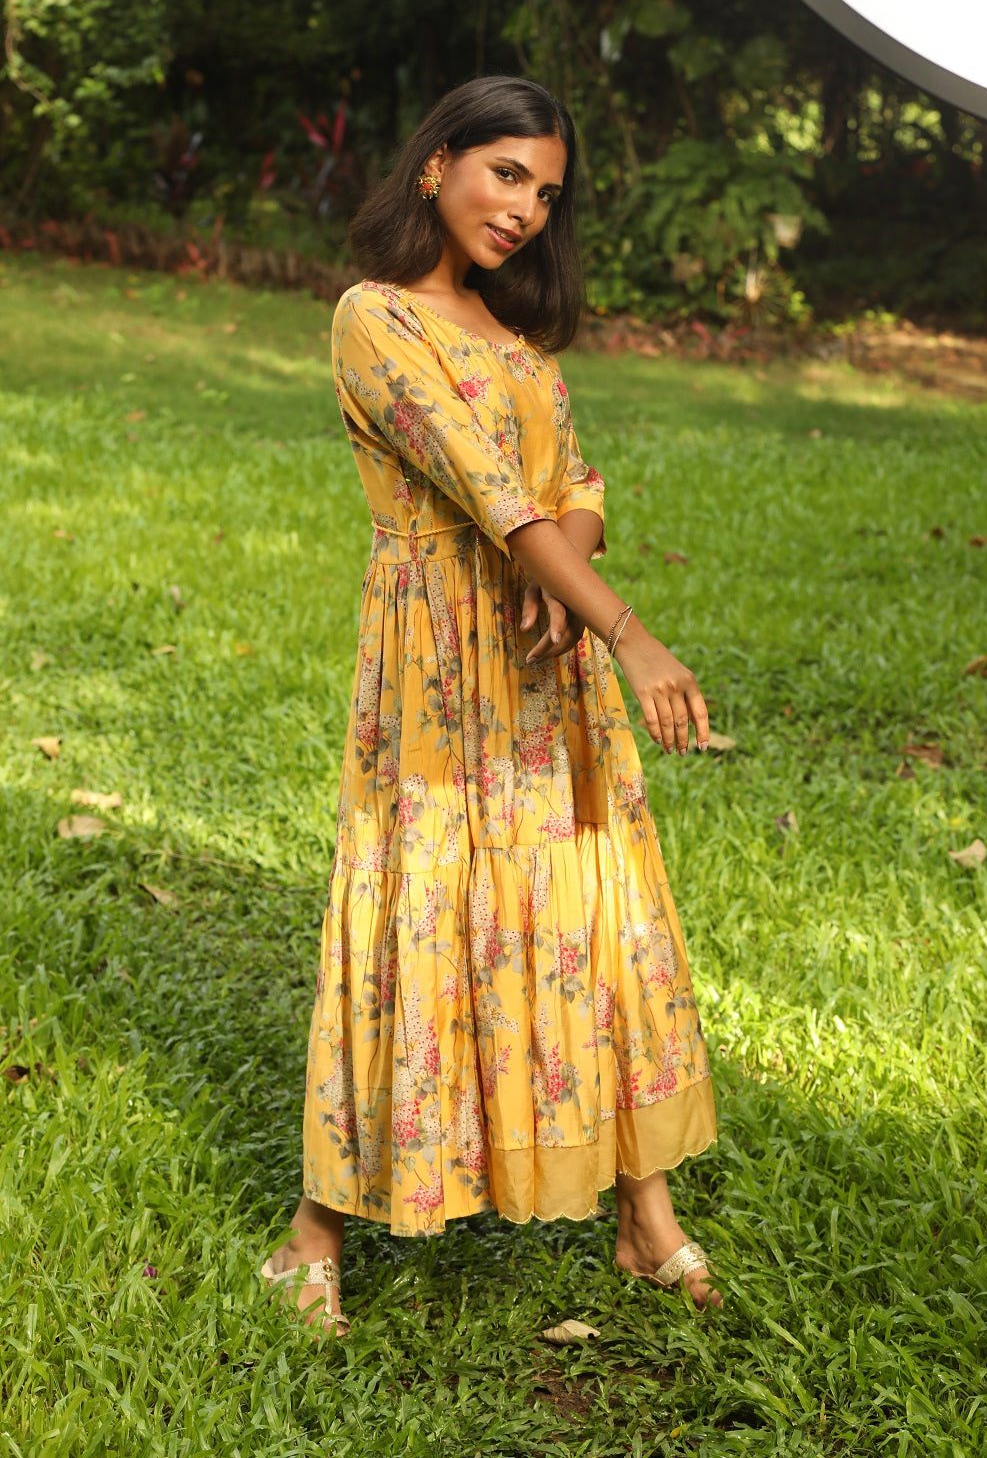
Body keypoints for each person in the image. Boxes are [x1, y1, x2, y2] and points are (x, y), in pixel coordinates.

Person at [261, 75, 720, 1336]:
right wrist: (628, 629)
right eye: (505, 173)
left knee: (587, 910)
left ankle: (645, 1220)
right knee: (419, 906)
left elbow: (571, 487)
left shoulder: (521, 346)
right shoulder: (376, 320)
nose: (523, 209)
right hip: (434, 663)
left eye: (546, 192)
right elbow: (482, 486)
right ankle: (313, 1235)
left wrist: (567, 584)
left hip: (541, 664)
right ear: (435, 166)